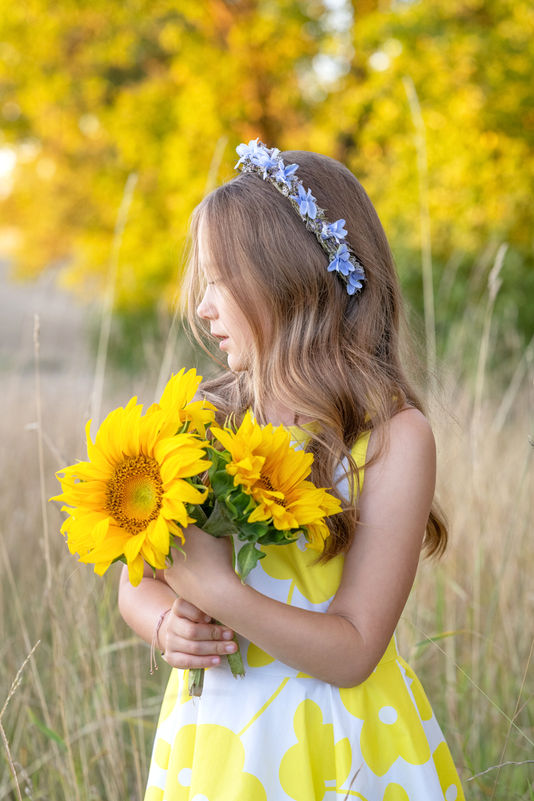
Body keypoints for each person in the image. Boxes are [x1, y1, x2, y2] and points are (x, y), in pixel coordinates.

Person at [118, 140, 465, 801]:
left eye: (218, 279)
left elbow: (355, 647)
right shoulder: (203, 418)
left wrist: (219, 593)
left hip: (341, 743)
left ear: (288, 275)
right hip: (219, 745)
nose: (202, 308)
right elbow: (137, 583)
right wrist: (166, 621)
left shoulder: (390, 438)